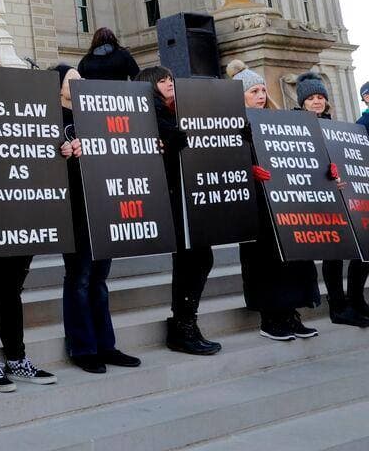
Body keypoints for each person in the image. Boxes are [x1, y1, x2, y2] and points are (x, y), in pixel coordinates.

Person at [0, 53, 56, 393]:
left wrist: (63, 149)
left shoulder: (24, 107)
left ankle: (16, 356)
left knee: (11, 289)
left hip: (21, 212)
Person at [55, 63, 141, 374]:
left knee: (99, 281)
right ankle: (82, 347)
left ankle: (106, 345)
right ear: (58, 88)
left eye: (81, 76)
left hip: (102, 206)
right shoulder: (51, 119)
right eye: (71, 78)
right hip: (73, 210)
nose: (79, 81)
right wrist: (61, 151)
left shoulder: (94, 115)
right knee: (78, 280)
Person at [233, 64, 322, 341]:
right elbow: (223, 161)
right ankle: (270, 317)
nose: (261, 95)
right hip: (256, 206)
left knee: (293, 258)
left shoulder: (279, 121)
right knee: (265, 261)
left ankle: (291, 313)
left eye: (262, 90)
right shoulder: (233, 125)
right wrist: (248, 169)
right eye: (253, 91)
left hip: (284, 200)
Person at [136, 66, 221, 355]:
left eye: (171, 78)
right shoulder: (149, 117)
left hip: (193, 195)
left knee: (201, 258)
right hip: (171, 198)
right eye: (162, 80)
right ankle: (182, 326)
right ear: (149, 86)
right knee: (191, 260)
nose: (169, 83)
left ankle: (187, 321)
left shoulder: (183, 112)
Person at [293, 73, 369, 327]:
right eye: (312, 98)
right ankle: (337, 306)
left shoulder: (333, 125)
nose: (317, 101)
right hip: (317, 197)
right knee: (333, 254)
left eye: (321, 97)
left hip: (344, 194)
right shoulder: (294, 125)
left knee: (359, 250)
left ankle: (356, 300)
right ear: (302, 102)